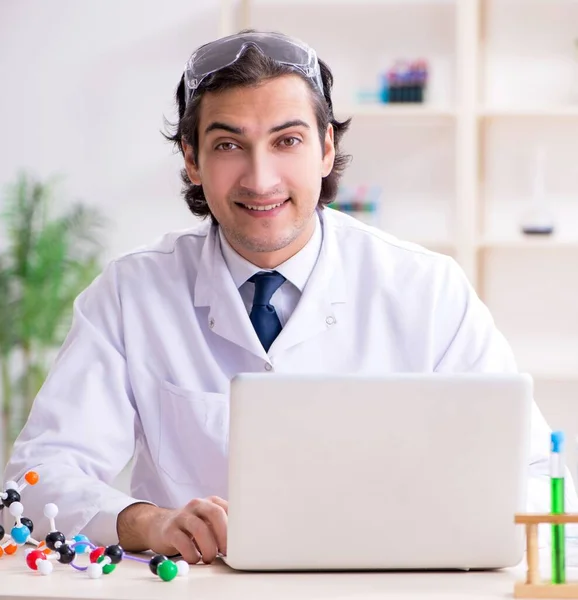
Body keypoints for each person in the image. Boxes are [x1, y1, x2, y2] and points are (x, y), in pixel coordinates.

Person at [4, 30, 576, 565]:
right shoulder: (132, 293)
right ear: (191, 159)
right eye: (229, 144)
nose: (261, 178)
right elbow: (35, 477)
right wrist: (146, 522)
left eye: (288, 141)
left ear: (326, 149)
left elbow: (532, 478)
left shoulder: (426, 289)